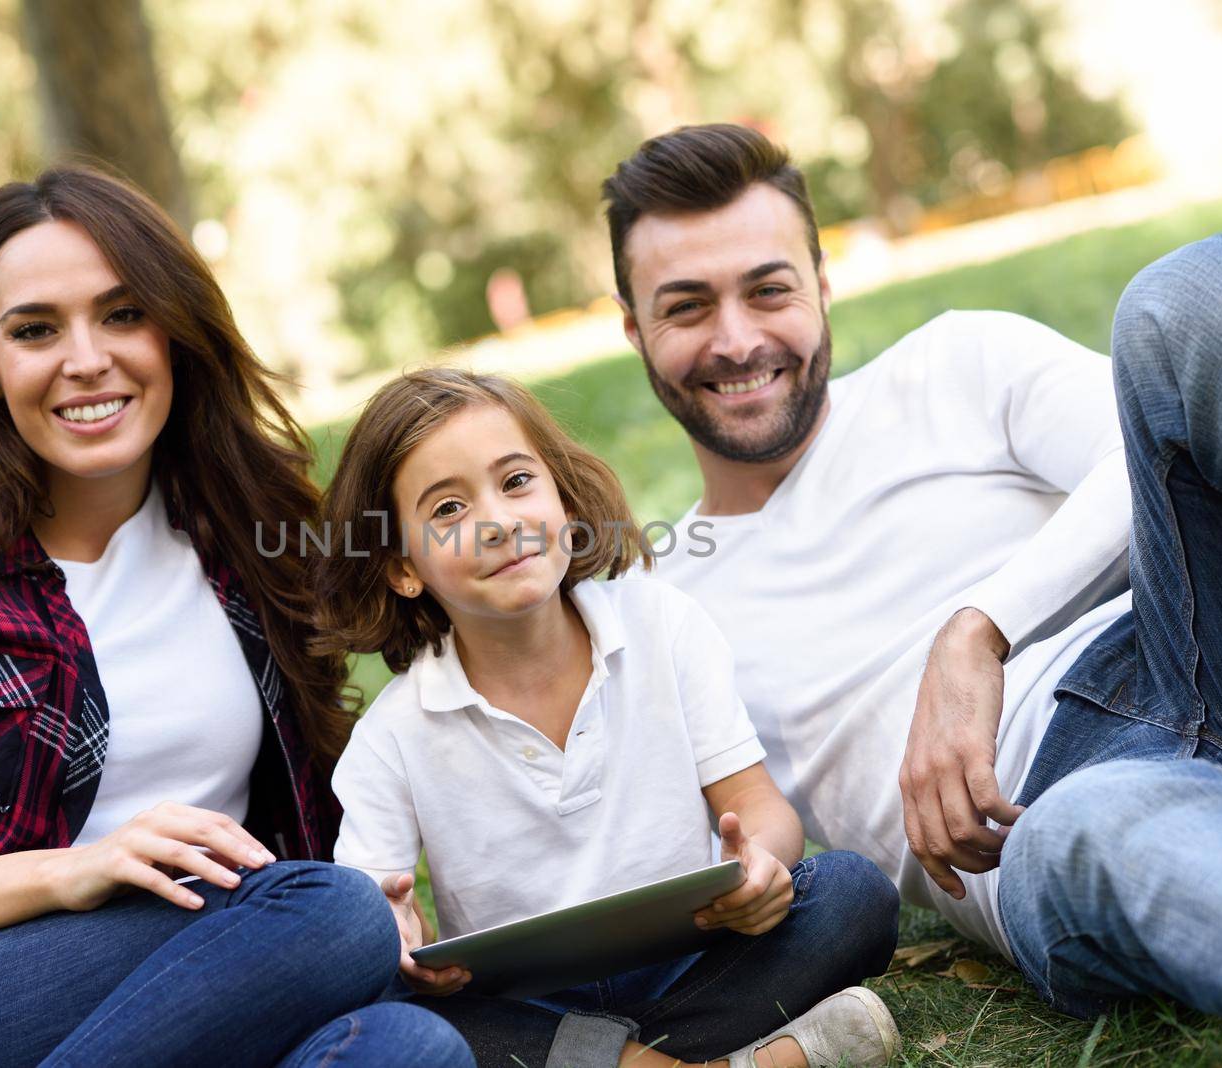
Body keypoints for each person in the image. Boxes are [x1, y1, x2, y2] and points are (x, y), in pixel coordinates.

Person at [0, 165, 474, 1067]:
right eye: (35, 329)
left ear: (176, 332)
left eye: (123, 313)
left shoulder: (257, 546)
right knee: (327, 911)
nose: (86, 358)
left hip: (196, 1003)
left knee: (405, 1047)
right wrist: (75, 871)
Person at [610, 123, 1222, 1025]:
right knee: (1096, 837)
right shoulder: (662, 608)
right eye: (687, 307)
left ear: (821, 284)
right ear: (633, 329)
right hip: (1052, 812)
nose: (737, 341)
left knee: (1186, 297)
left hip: (1211, 633)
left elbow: (1150, 442)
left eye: (769, 290)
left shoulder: (956, 363)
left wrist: (979, 630)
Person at [310, 367, 903, 1068]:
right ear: (402, 567)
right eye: (447, 510)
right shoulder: (393, 736)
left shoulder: (662, 623)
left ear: (560, 495)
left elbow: (759, 810)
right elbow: (375, 917)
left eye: (517, 482)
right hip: (526, 1007)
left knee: (851, 893)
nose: (499, 523)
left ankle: (615, 1061)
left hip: (699, 963)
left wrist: (761, 870)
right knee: (386, 1014)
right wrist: (399, 932)